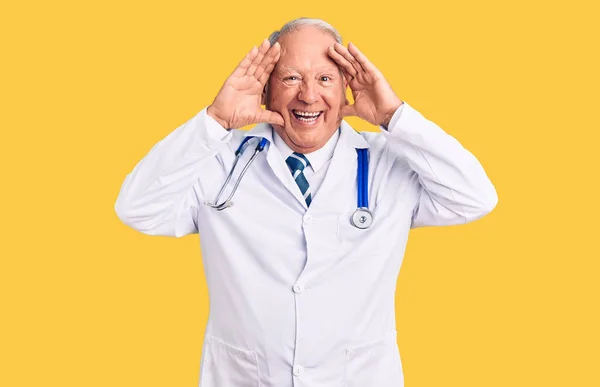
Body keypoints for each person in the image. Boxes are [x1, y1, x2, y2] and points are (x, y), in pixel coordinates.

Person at [114, 17, 498, 387]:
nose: (309, 95)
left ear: (347, 87)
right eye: (291, 78)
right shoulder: (219, 160)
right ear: (265, 88)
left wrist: (394, 117)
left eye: (325, 78)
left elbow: (474, 197)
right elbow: (137, 208)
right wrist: (214, 122)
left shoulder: (389, 164)